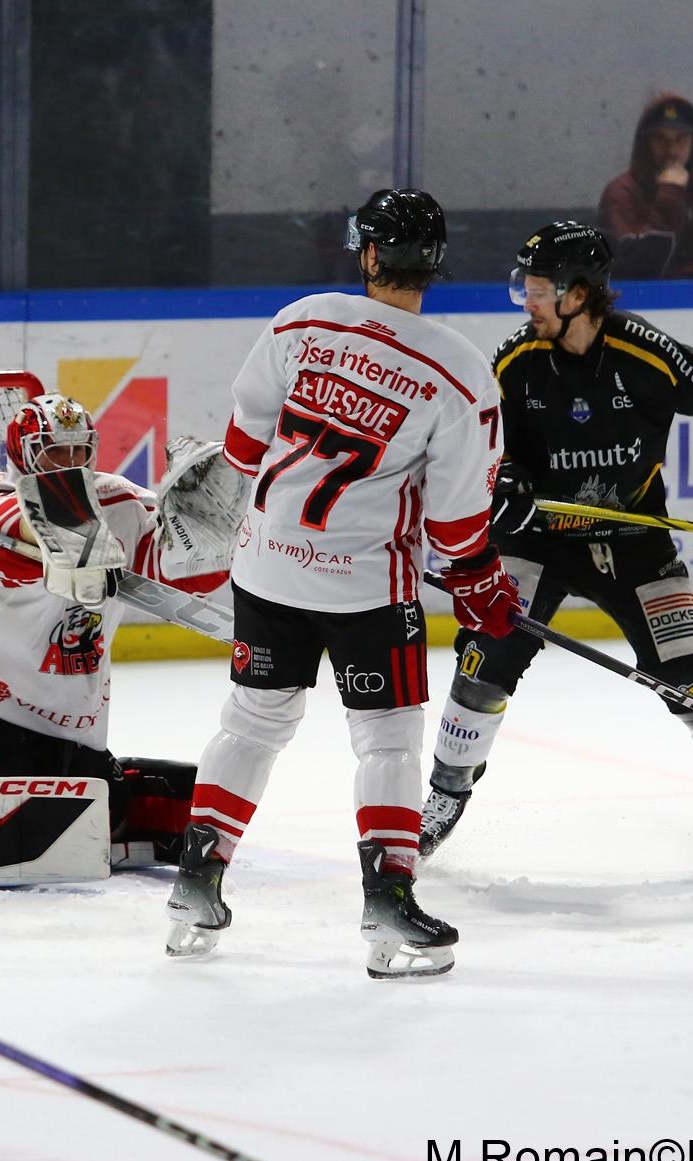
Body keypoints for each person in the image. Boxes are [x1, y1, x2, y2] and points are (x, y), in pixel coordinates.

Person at [161, 187, 519, 981]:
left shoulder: (303, 321)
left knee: (252, 722)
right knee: (387, 737)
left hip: (266, 566)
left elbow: (243, 447)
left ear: (368, 253)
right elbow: (458, 523)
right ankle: (388, 897)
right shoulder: (461, 374)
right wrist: (480, 582)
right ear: (436, 262)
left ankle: (195, 881)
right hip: (364, 587)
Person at [420, 220, 693, 862]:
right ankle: (445, 792)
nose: (526, 302)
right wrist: (503, 478)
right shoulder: (515, 361)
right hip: (536, 539)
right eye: (524, 288)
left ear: (578, 294)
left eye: (539, 290)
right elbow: (479, 442)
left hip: (632, 539)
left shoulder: (647, 355)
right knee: (485, 660)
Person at [0, 394, 231, 865]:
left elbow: (179, 577)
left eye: (79, 450)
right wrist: (65, 536)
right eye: (53, 452)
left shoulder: (121, 504)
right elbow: (7, 539)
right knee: (4, 815)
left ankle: (109, 795)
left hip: (55, 730)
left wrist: (207, 532)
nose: (69, 462)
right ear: (22, 456)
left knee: (170, 809)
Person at [597, 93, 693, 280]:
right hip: (638, 298)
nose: (672, 150)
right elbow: (636, 269)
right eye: (660, 139)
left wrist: (679, 279)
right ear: (646, 143)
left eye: (681, 139)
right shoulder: (621, 193)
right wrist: (670, 195)